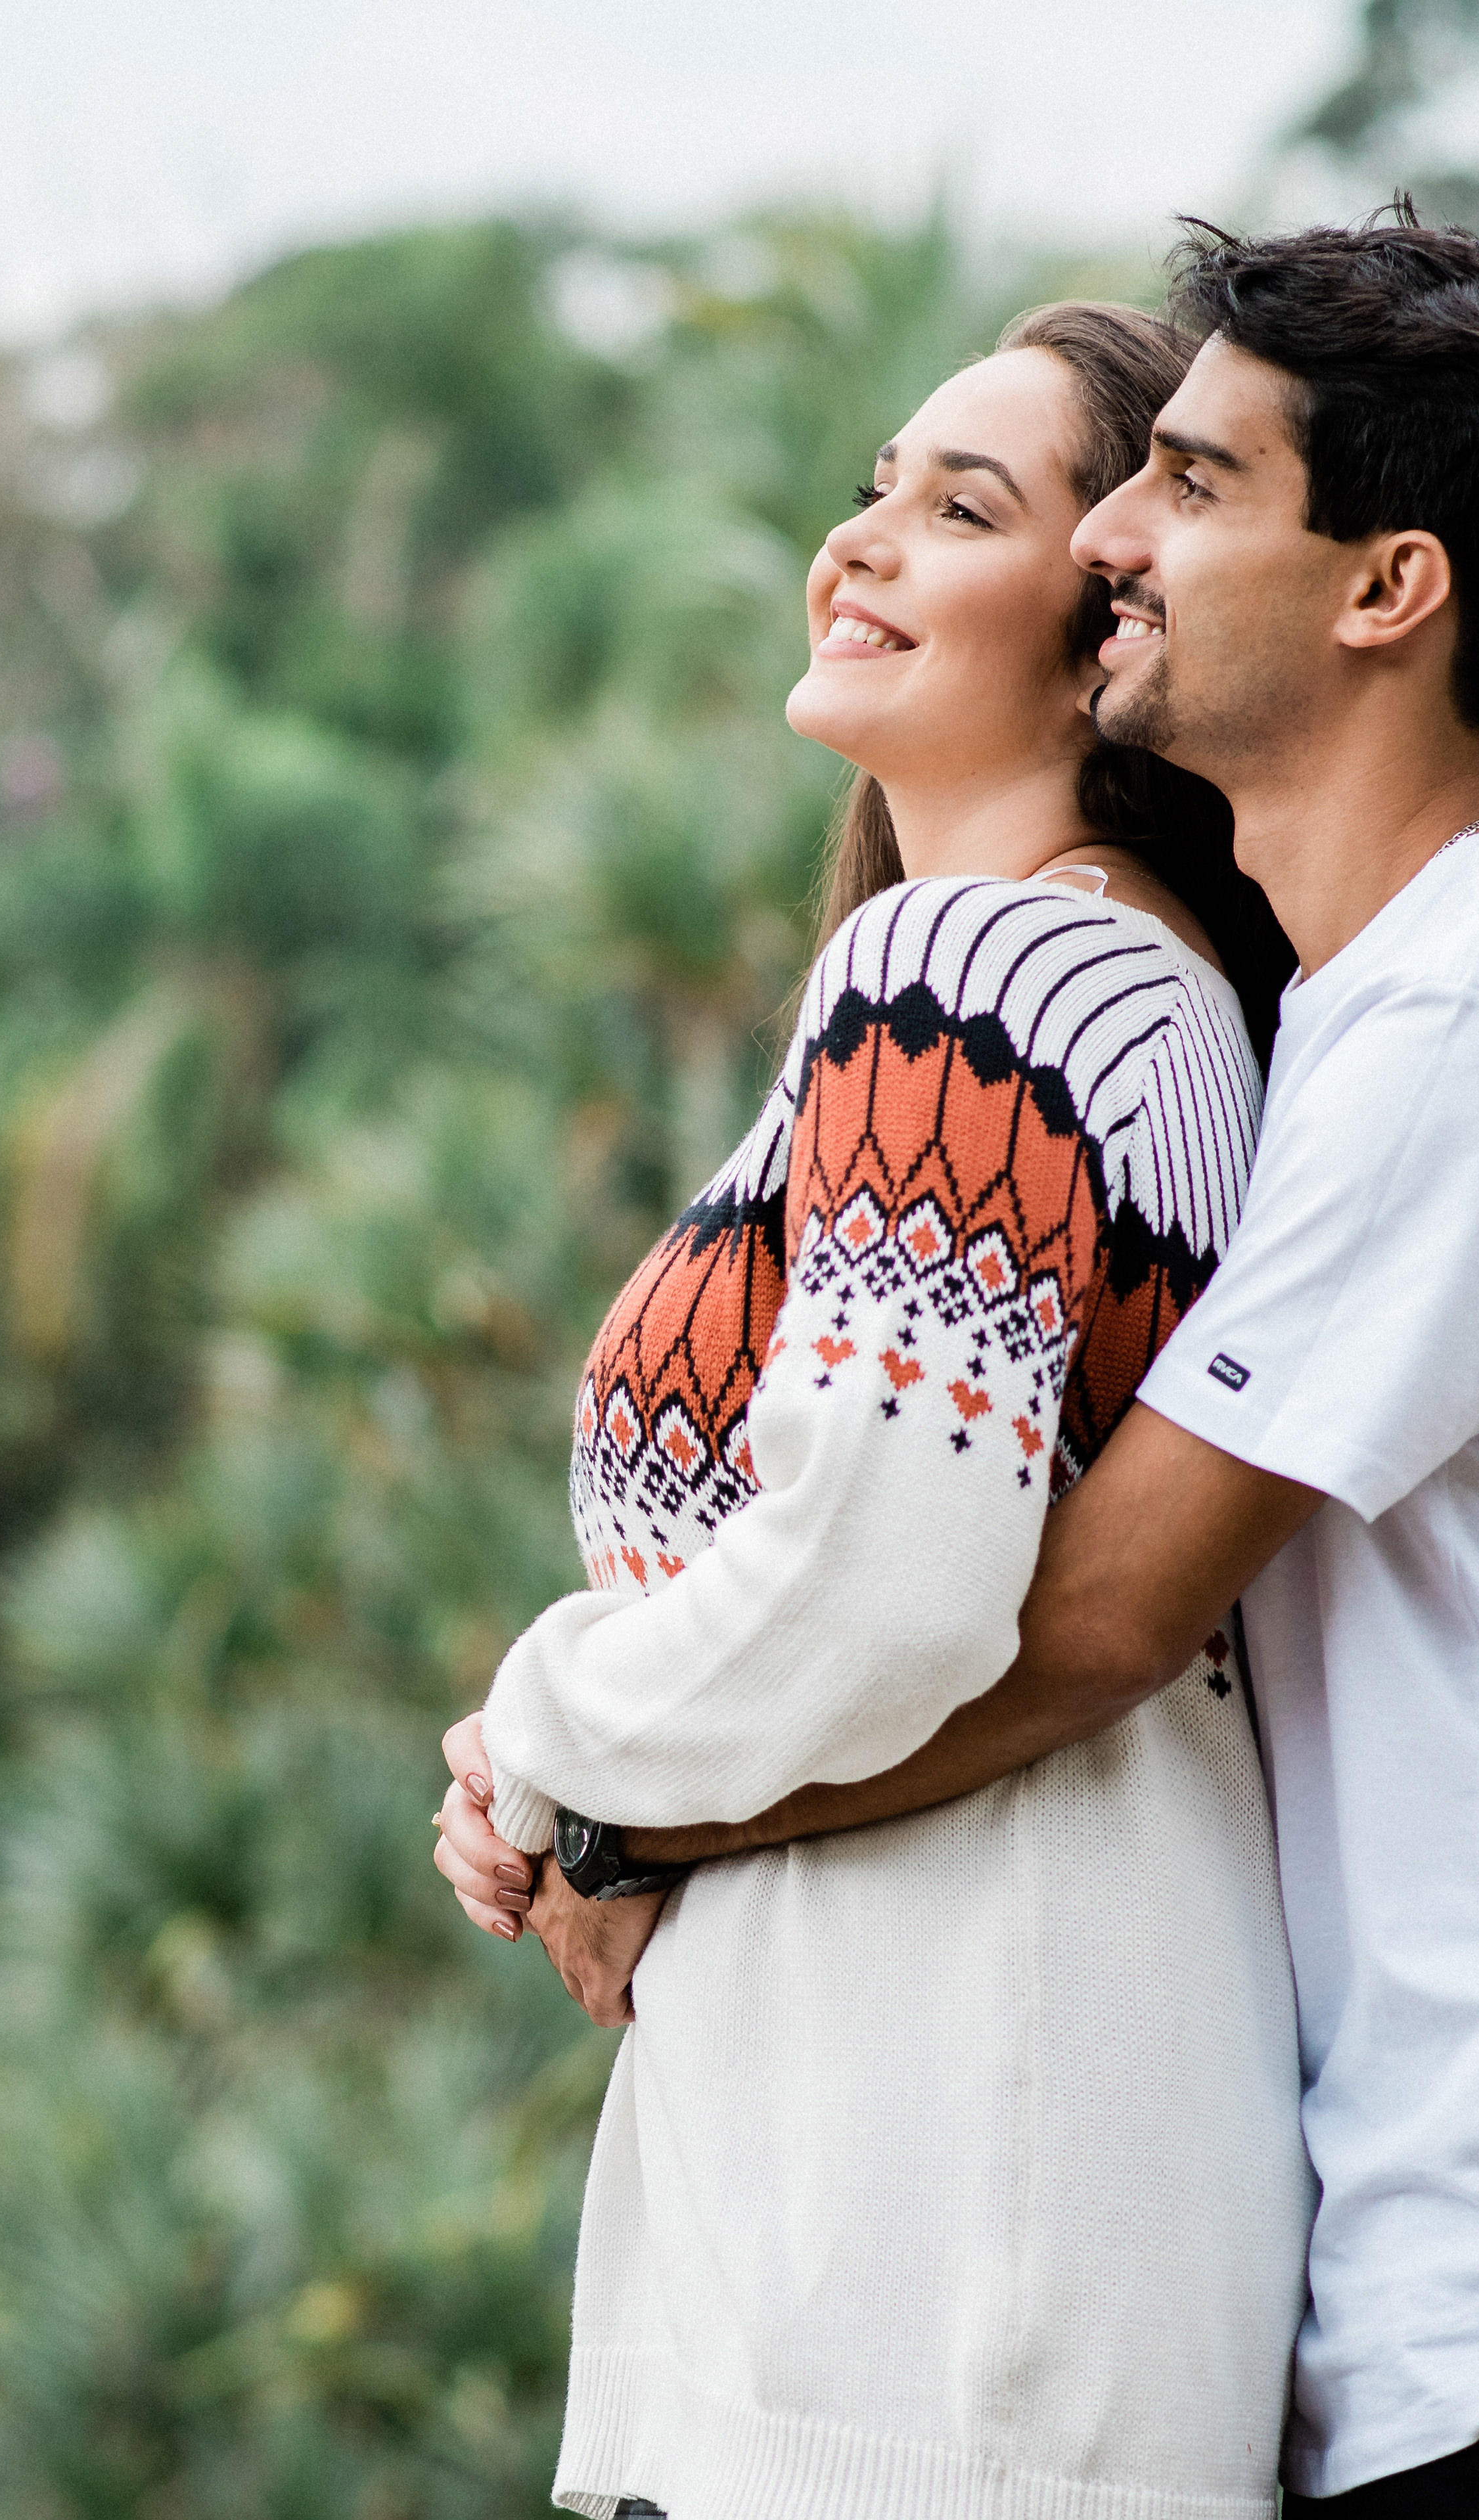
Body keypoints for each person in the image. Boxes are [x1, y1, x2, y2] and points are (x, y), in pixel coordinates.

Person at [440, 211, 1479, 2517]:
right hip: (1440, 2303)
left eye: (1198, 484)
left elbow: (1061, 1614)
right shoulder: (1324, 1020)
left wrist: (596, 1783)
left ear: (1386, 588)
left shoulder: (1473, 1013)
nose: (1121, 538)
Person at [426, 301, 1313, 2520]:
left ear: (1108, 607)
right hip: (938, 2221)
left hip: (935, 2251)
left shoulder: (990, 979)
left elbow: (876, 1581)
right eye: (873, 485)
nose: (860, 543)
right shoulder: (1137, 992)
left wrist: (548, 1744)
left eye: (962, 505)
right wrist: (608, 1803)